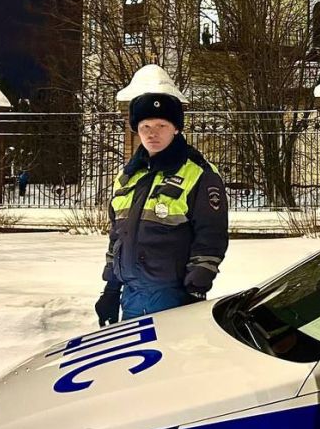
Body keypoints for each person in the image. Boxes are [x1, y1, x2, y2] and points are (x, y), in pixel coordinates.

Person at [94, 81, 229, 325]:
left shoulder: (199, 174)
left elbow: (211, 238)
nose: (152, 133)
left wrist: (196, 290)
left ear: (176, 128)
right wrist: (111, 289)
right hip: (131, 299)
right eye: (145, 126)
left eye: (161, 125)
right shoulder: (128, 176)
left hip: (174, 298)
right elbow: (118, 235)